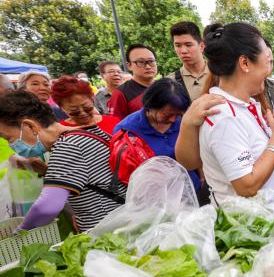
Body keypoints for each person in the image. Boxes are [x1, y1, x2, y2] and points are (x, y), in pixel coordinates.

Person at [193, 23, 274, 206]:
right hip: (251, 230)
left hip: (269, 224)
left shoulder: (248, 106)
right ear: (245, 63)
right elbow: (246, 186)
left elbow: (273, 164)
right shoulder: (223, 116)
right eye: (267, 61)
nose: (269, 70)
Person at [0, 91, 125, 231]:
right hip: (118, 222)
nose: (12, 145)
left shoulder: (69, 146)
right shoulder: (87, 132)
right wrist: (44, 170)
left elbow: (47, 208)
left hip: (111, 230)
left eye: (8, 138)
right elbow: (93, 179)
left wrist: (19, 232)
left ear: (30, 126)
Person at [114, 78, 200, 189]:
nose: (173, 120)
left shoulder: (184, 122)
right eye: (166, 114)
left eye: (178, 114)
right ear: (150, 105)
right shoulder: (127, 131)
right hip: (158, 196)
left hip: (191, 188)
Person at [52, 75, 120, 135]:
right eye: (74, 110)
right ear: (62, 108)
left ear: (92, 101)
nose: (82, 113)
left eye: (86, 107)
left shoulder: (113, 122)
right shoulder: (59, 131)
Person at [108, 44, 158, 119]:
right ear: (129, 65)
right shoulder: (121, 94)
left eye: (151, 61)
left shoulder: (165, 86)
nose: (148, 66)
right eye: (141, 62)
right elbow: (115, 125)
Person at [167, 21, 208, 102]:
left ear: (202, 46)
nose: (183, 51)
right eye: (178, 45)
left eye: (188, 45)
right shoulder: (170, 82)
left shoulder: (221, 74)